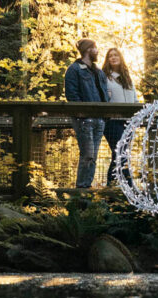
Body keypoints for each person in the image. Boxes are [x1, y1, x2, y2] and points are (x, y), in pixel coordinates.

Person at [64, 39, 109, 188]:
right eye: (95, 48)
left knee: (93, 157)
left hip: (99, 120)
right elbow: (72, 95)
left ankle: (86, 188)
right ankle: (81, 190)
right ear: (88, 50)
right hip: (84, 120)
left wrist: (104, 115)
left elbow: (105, 95)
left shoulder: (99, 72)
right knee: (87, 155)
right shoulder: (74, 69)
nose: (97, 51)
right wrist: (82, 114)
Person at [101, 48, 138, 187]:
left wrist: (136, 117)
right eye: (110, 56)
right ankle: (128, 186)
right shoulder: (104, 77)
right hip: (112, 121)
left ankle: (112, 186)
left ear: (121, 58)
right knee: (120, 152)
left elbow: (134, 99)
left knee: (120, 154)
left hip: (129, 122)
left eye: (116, 55)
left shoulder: (127, 78)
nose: (113, 57)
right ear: (107, 60)